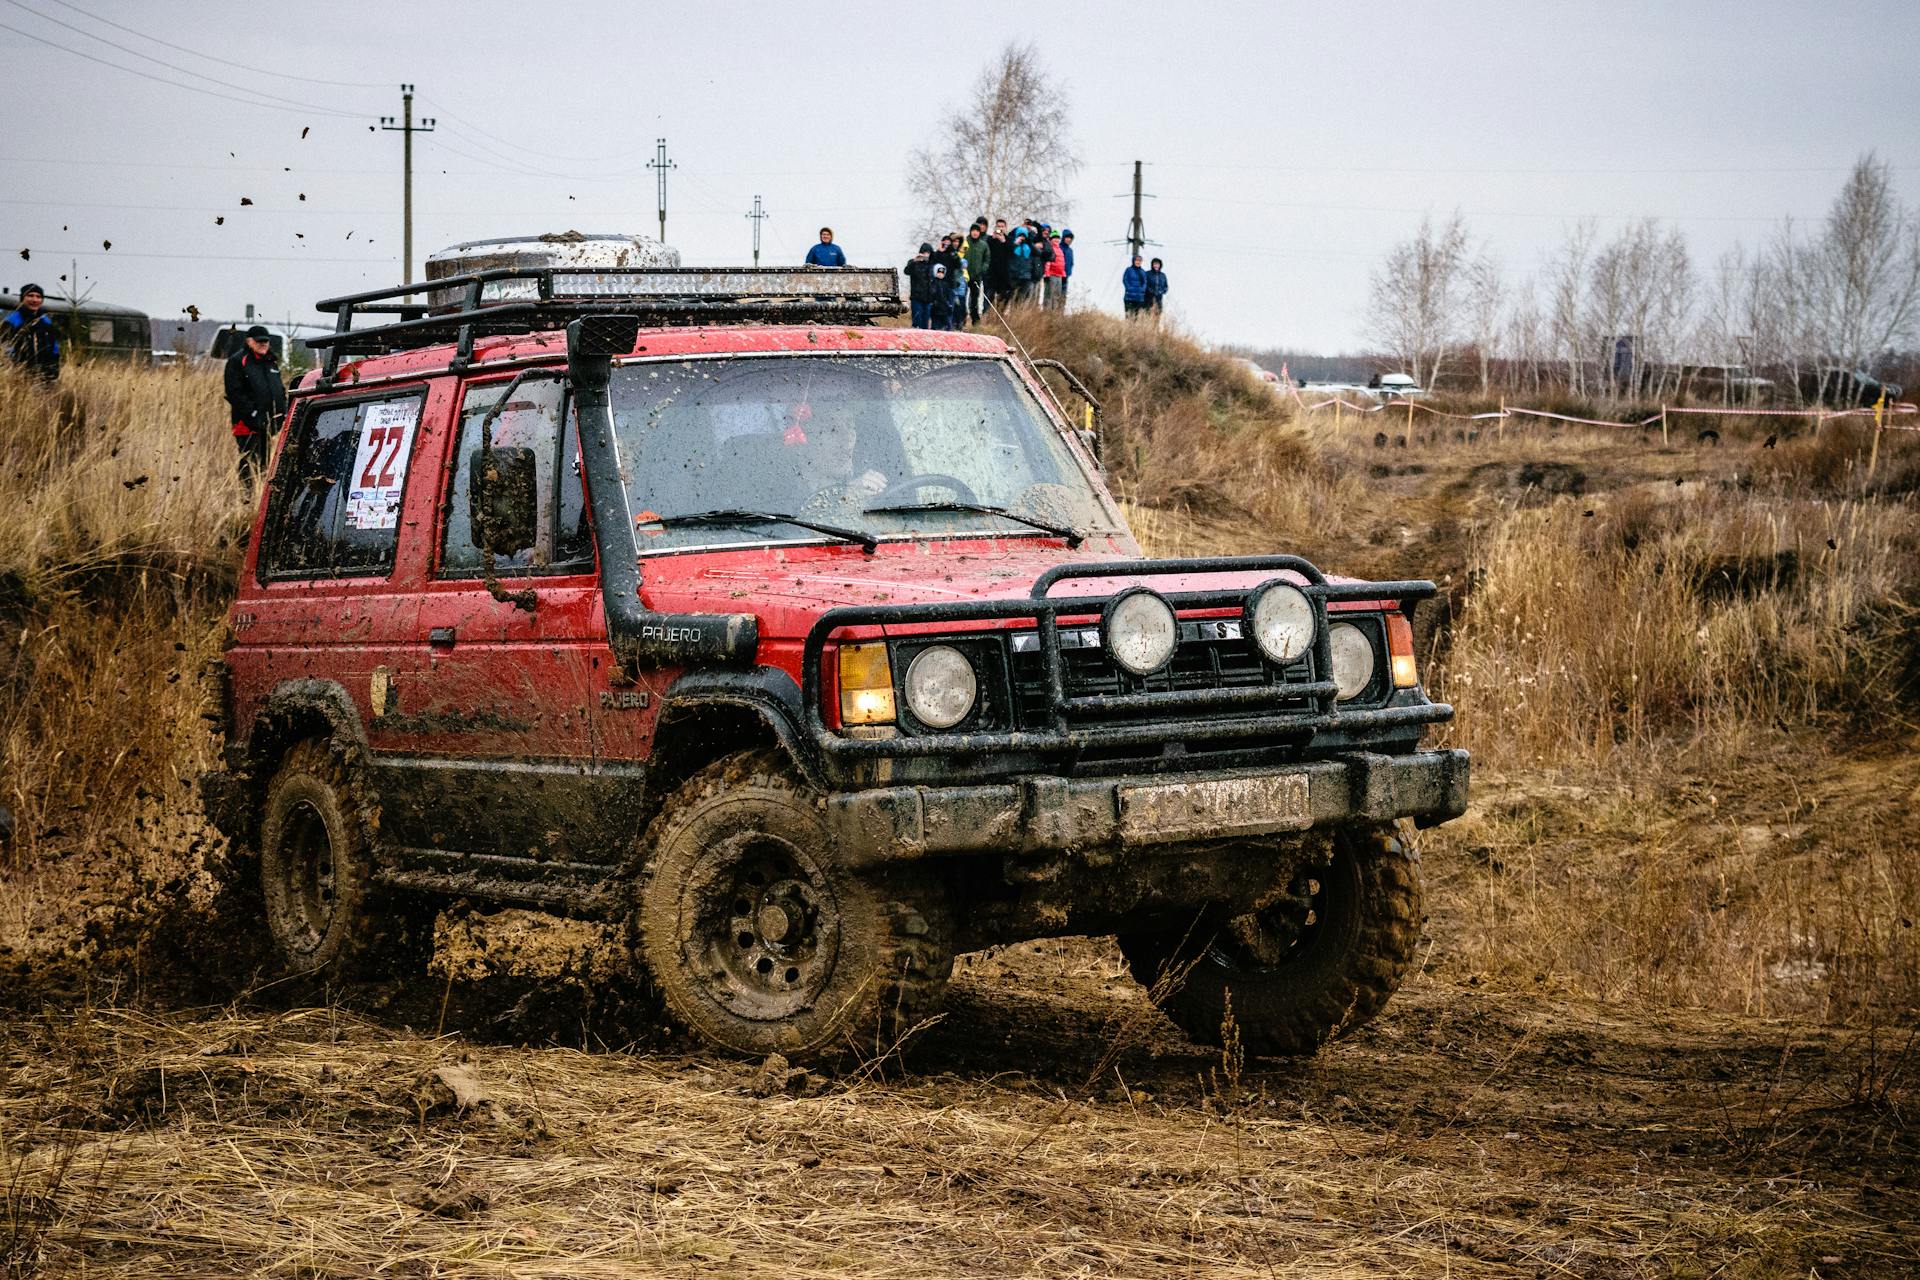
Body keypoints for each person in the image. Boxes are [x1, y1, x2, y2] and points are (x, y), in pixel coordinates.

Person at [225, 325, 287, 478]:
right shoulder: (238, 361)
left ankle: (259, 495)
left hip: (268, 423)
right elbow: (234, 392)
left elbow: (279, 389)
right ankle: (247, 496)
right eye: (259, 341)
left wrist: (282, 412)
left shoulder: (271, 362)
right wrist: (253, 414)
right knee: (249, 461)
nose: (263, 344)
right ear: (249, 341)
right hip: (246, 424)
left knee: (264, 464)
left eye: (266, 341)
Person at [3, 284, 60, 382]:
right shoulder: (11, 321)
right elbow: (5, 348)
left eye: (38, 297)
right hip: (19, 374)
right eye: (30, 295)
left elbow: (54, 347)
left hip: (44, 374)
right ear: (22, 298)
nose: (34, 300)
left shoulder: (46, 321)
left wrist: (54, 366)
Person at [930, 235, 963, 331]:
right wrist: (939, 251)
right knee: (937, 308)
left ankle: (949, 327)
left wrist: (953, 253)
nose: (947, 245)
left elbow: (958, 265)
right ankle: (936, 327)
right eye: (945, 242)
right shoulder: (937, 254)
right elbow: (932, 263)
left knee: (949, 307)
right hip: (937, 284)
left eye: (949, 243)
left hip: (949, 285)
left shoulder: (952, 254)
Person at [904, 243, 936, 329]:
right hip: (916, 297)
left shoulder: (931, 264)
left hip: (928, 298)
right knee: (917, 321)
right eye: (924, 252)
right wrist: (915, 261)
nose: (926, 255)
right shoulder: (913, 263)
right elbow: (906, 271)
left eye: (928, 253)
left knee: (925, 323)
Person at [964, 224, 990, 325]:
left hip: (976, 276)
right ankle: (962, 319)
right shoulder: (965, 242)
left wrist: (982, 269)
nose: (975, 233)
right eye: (973, 230)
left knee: (974, 299)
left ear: (980, 233)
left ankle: (975, 320)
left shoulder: (983, 245)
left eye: (977, 231)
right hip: (965, 276)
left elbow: (987, 260)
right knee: (962, 298)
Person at [986, 222, 1014, 310]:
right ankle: (989, 315)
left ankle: (1000, 315)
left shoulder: (1009, 239)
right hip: (992, 273)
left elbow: (1012, 252)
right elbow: (986, 251)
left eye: (1002, 226)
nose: (1000, 228)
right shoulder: (990, 239)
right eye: (998, 226)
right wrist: (993, 239)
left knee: (1003, 296)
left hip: (1004, 273)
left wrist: (1003, 241)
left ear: (1005, 228)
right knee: (990, 296)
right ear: (995, 227)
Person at [1042, 230, 1067, 310]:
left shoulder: (1060, 250)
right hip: (1051, 275)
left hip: (1059, 276)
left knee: (1057, 296)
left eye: (1058, 238)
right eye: (1054, 238)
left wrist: (1063, 275)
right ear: (1051, 239)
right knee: (1049, 295)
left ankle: (1054, 314)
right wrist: (1047, 274)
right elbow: (1047, 262)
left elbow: (1062, 263)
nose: (1056, 240)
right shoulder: (1049, 248)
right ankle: (1047, 313)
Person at [1058, 229, 1075, 305]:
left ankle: (1060, 314)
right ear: (1063, 238)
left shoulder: (1070, 250)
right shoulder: (1059, 248)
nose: (1069, 240)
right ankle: (1052, 314)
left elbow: (1071, 262)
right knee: (1056, 295)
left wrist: (1069, 272)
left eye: (1070, 238)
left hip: (1066, 276)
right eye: (1067, 237)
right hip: (1058, 275)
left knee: (1063, 296)